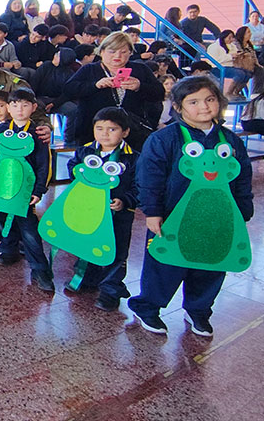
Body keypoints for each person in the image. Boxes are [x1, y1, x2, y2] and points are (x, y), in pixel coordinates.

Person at [127, 76, 253, 336]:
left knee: (211, 264)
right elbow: (149, 179)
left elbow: (242, 178)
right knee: (165, 264)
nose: (204, 107)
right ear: (178, 106)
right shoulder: (164, 139)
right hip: (173, 218)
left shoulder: (230, 141)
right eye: (193, 102)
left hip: (217, 219)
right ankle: (148, 307)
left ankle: (199, 310)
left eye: (210, 100)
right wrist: (152, 212)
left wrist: (242, 212)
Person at [66, 107, 138, 311]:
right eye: (99, 128)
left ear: (125, 132)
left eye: (112, 129)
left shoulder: (132, 157)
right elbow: (73, 169)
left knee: (116, 251)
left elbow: (138, 187)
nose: (105, 134)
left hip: (119, 217)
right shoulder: (85, 151)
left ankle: (111, 290)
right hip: (89, 211)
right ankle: (86, 278)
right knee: (87, 243)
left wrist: (125, 200)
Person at [0, 89, 54, 292]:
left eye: (24, 105)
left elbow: (44, 165)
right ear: (8, 107)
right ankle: (8, 250)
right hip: (2, 186)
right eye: (14, 105)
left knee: (29, 228)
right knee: (4, 220)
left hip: (24, 192)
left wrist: (39, 190)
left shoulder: (38, 133)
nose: (19, 109)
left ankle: (40, 268)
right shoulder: (0, 130)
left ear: (33, 107)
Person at [64, 31, 165, 149]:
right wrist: (95, 85)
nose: (117, 56)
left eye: (123, 52)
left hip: (132, 131)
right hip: (93, 129)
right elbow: (69, 90)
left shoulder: (140, 69)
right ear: (101, 52)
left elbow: (159, 93)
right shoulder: (89, 69)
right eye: (112, 52)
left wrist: (139, 86)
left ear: (131, 53)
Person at [206, 29, 252, 99]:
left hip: (231, 66)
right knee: (239, 74)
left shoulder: (232, 45)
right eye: (229, 38)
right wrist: (230, 56)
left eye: (232, 37)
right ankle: (229, 93)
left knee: (248, 73)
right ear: (224, 37)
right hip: (217, 67)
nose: (231, 39)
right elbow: (214, 60)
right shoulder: (213, 47)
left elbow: (235, 53)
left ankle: (236, 92)